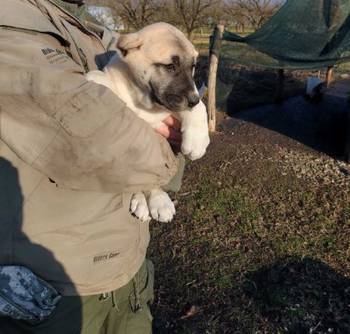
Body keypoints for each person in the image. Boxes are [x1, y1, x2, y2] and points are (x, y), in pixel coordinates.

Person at [0, 0, 184, 333]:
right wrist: (176, 147)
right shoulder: (12, 23)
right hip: (57, 292)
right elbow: (102, 142)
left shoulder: (81, 25)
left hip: (125, 273)